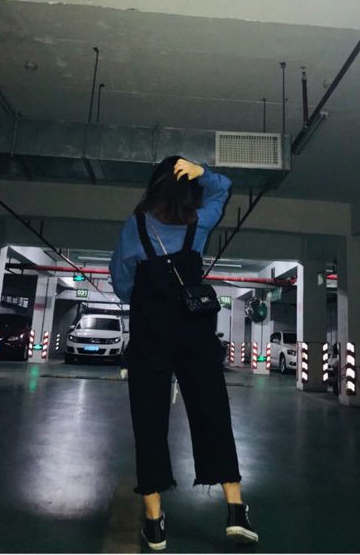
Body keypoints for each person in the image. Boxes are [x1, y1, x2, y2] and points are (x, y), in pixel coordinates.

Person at [109, 156, 258, 550]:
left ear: (154, 185)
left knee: (148, 417)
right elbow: (223, 189)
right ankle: (236, 511)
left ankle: (155, 523)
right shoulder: (199, 222)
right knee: (212, 410)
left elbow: (121, 280)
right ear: (189, 189)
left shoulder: (135, 226)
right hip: (195, 329)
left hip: (150, 331)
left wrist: (144, 297)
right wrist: (204, 174)